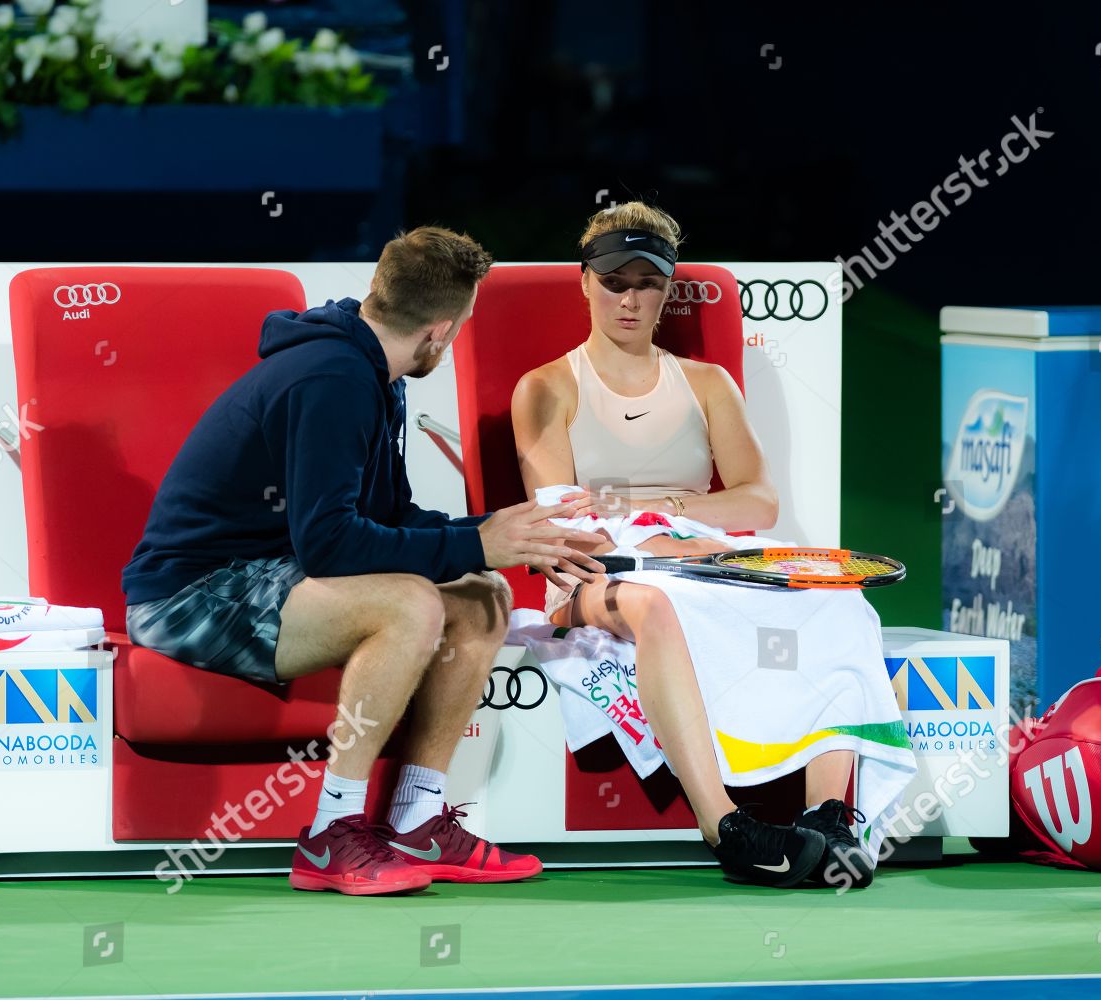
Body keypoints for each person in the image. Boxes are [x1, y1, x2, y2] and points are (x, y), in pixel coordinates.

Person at [122, 226, 604, 896]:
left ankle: (415, 819)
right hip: (189, 595)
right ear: (440, 329)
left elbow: (385, 520)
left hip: (270, 573)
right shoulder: (332, 378)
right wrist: (474, 541)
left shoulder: (375, 369)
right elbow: (332, 546)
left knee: (483, 594)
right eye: (461, 328)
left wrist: (503, 535)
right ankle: (330, 835)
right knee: (410, 604)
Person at [510, 203, 867, 889]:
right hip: (595, 577)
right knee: (652, 604)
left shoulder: (707, 384)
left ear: (669, 288)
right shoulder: (546, 388)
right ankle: (723, 826)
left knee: (838, 600)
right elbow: (563, 523)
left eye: (648, 281)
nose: (631, 298)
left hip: (704, 561)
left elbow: (758, 501)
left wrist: (674, 521)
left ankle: (828, 818)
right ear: (586, 282)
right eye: (615, 280)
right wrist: (665, 530)